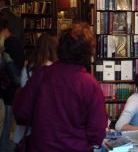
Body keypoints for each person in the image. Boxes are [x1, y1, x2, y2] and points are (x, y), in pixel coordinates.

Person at [13, 23, 108, 151]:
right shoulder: (90, 84)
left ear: (60, 47)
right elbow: (97, 131)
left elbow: (21, 111)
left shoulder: (42, 74)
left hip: (41, 146)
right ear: (88, 52)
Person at [13, 33, 58, 145]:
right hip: (46, 123)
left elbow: (23, 91)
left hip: (26, 124)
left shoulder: (28, 67)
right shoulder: (55, 70)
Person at [0, 12, 24, 150]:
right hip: (6, 98)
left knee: (5, 140)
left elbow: (16, 77)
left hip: (8, 99)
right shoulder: (11, 43)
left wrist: (5, 57)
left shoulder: (11, 44)